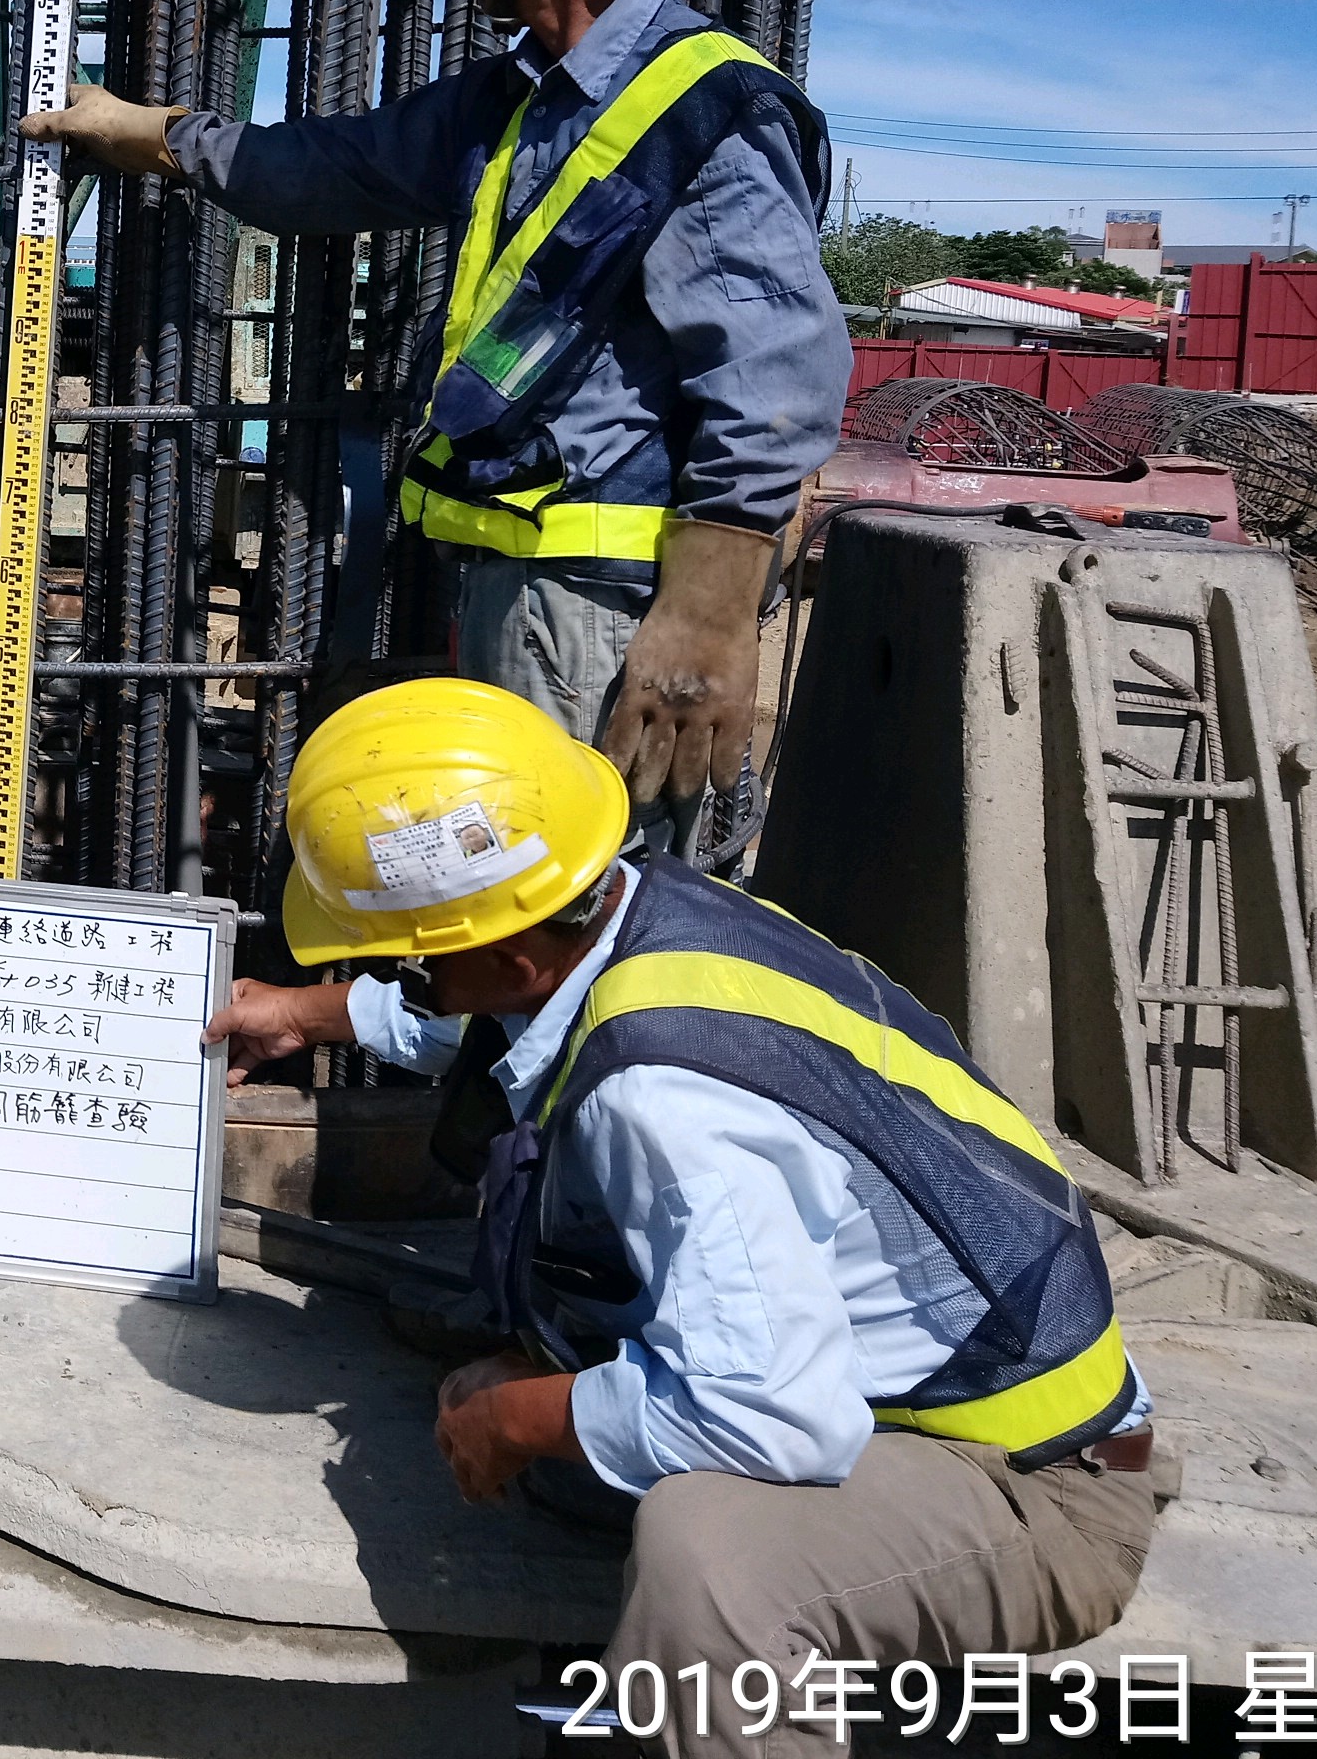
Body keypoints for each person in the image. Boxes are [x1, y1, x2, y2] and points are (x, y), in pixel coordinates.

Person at [204, 680, 1157, 1753]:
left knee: (710, 1562)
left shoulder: (666, 1108)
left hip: (1040, 1488)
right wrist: (312, 1013)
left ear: (512, 953)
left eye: (416, 953)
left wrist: (518, 1416)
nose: (407, 973)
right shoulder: (632, 909)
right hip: (938, 1397)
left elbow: (768, 1419)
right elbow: (513, 1009)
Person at [18, 0, 850, 835]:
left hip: (607, 614)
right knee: (495, 894)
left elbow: (775, 380)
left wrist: (708, 618)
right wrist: (152, 135)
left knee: (571, 908)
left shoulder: (705, 108)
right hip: (505, 586)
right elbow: (324, 170)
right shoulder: (522, 100)